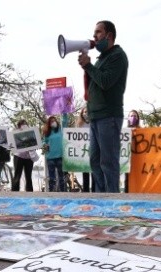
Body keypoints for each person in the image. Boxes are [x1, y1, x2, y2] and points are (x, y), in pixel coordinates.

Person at [78, 20, 129, 193]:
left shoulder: (117, 56)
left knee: (108, 161)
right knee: (95, 161)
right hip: (96, 117)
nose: (94, 37)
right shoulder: (102, 59)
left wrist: (88, 66)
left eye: (98, 33)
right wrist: (88, 67)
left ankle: (112, 200)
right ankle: (100, 198)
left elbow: (105, 82)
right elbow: (96, 81)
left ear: (109, 35)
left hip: (109, 116)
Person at [42, 115, 68, 192]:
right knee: (52, 178)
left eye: (54, 121)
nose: (53, 122)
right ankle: (51, 193)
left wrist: (64, 111)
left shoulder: (61, 130)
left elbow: (65, 121)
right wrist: (44, 144)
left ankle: (63, 193)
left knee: (61, 177)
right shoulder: (47, 132)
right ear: (49, 124)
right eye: (51, 121)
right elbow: (44, 141)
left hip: (60, 156)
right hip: (50, 157)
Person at [12, 119, 36, 192]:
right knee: (17, 175)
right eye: (22, 124)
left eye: (25, 123)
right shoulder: (15, 133)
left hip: (29, 157)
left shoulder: (32, 133)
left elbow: (35, 143)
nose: (24, 125)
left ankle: (29, 192)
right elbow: (12, 145)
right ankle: (14, 192)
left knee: (28, 176)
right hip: (18, 156)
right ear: (19, 126)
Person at [76, 106, 94, 192]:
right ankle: (86, 192)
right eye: (84, 112)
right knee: (85, 174)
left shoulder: (94, 123)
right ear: (82, 114)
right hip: (83, 153)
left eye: (87, 112)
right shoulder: (79, 125)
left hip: (94, 152)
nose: (86, 114)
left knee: (94, 174)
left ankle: (95, 192)